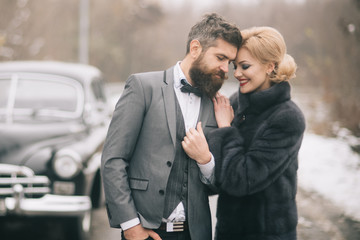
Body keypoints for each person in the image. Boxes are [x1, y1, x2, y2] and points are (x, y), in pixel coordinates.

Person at [101, 13, 242, 240]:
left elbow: (218, 185)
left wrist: (206, 160)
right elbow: (113, 159)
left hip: (195, 235)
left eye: (230, 62)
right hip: (145, 232)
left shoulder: (218, 106)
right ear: (195, 48)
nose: (226, 69)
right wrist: (130, 225)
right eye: (220, 58)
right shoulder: (142, 87)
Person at [182, 26, 306, 239]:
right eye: (235, 66)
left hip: (267, 234)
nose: (236, 73)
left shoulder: (287, 118)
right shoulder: (234, 104)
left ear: (270, 66)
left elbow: (243, 179)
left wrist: (226, 130)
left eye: (245, 66)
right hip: (228, 231)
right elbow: (217, 178)